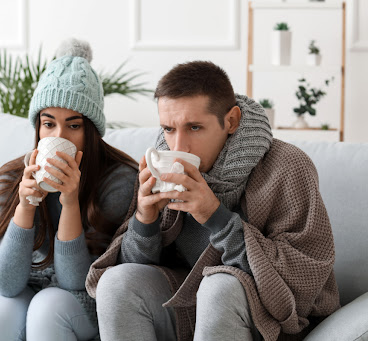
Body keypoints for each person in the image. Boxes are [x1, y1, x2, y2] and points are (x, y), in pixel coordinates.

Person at [86, 61, 340, 341]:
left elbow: (304, 277)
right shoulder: (160, 163)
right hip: (189, 307)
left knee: (219, 286)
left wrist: (215, 217)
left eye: (194, 127)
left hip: (266, 317)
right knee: (116, 283)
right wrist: (145, 221)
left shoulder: (287, 166)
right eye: (169, 129)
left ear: (231, 121)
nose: (178, 146)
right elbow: (136, 265)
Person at [0, 39, 137, 341]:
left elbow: (75, 281)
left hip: (86, 296)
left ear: (91, 131)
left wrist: (70, 203)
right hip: (29, 284)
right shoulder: (12, 178)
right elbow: (5, 284)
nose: (59, 135)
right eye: (48, 124)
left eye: (73, 126)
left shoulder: (118, 181)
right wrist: (26, 205)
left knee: (48, 306)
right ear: (37, 128)